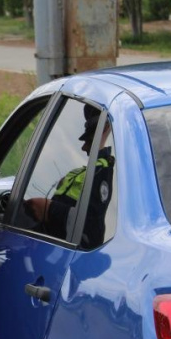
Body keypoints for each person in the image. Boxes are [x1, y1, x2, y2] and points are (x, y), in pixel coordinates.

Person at [24, 105, 115, 249]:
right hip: (45, 243)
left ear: (104, 131)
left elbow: (90, 226)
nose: (83, 148)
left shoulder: (102, 171)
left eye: (89, 141)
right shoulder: (78, 172)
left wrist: (49, 209)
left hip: (64, 253)